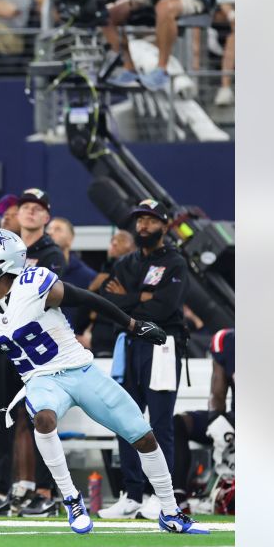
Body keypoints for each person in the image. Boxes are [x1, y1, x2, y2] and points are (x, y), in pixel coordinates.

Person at [0, 229, 205, 534]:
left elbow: (87, 299)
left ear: (2, 263)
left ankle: (170, 510)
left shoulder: (34, 283)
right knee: (42, 418)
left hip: (80, 371)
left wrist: (134, 325)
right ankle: (71, 500)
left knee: (143, 436)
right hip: (40, 378)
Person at [0, 189, 62, 517]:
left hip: (32, 347)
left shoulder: (52, 252)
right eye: (25, 208)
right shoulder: (3, 249)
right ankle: (0, 491)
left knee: (41, 417)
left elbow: (46, 298)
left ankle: (46, 491)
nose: (30, 213)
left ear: (47, 217)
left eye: (37, 209)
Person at [96, 199, 190, 519]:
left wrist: (127, 300)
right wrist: (141, 298)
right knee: (126, 418)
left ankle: (159, 496)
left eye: (150, 221)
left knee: (160, 422)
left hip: (162, 345)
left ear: (164, 225)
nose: (143, 226)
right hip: (130, 345)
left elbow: (164, 309)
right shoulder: (126, 262)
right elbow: (108, 303)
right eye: (140, 221)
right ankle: (132, 494)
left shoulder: (175, 262)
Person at [172, 327, 234, 510]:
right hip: (236, 420)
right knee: (178, 423)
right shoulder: (228, 341)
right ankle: (178, 496)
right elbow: (217, 393)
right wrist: (217, 422)